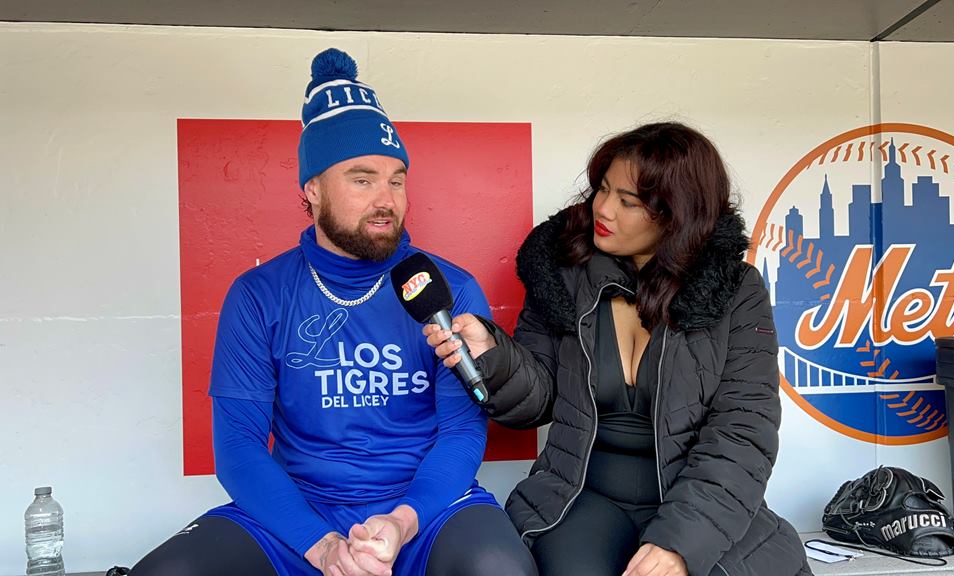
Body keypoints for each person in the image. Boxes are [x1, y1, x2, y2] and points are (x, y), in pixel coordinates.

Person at [131, 48, 537, 576]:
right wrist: (320, 546)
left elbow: (462, 434)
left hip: (425, 513)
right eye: (362, 179)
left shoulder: (447, 289)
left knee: (500, 570)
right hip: (298, 513)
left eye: (396, 179)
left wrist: (401, 523)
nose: (386, 198)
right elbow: (237, 447)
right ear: (312, 190)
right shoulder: (258, 294)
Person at [424, 122, 812, 576]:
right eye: (602, 189)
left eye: (628, 202)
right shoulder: (562, 273)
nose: (602, 209)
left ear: (676, 214)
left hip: (694, 498)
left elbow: (743, 433)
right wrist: (493, 355)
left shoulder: (735, 290)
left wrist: (680, 545)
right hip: (580, 496)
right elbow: (536, 402)